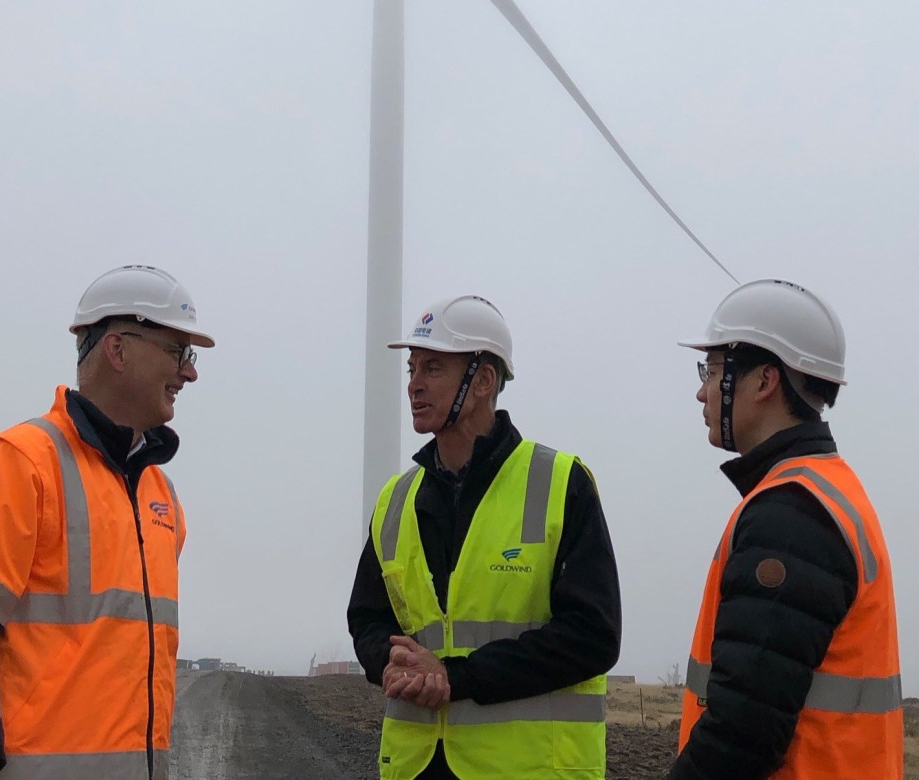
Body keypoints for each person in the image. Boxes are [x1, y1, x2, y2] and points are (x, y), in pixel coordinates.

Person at [0, 265, 214, 780]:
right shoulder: (16, 464)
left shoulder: (160, 496)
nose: (189, 373)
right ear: (117, 350)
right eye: (178, 352)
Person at [348, 294, 621, 779]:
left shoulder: (561, 485)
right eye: (411, 369)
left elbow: (592, 636)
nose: (413, 384)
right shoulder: (396, 500)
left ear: (484, 381)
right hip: (417, 766)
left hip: (528, 769)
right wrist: (389, 661)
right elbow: (368, 618)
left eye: (432, 368)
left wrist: (457, 677)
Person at [670, 279, 903, 779]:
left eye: (713, 370)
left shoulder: (790, 514)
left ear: (764, 381)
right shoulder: (825, 491)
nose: (701, 391)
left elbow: (741, 735)